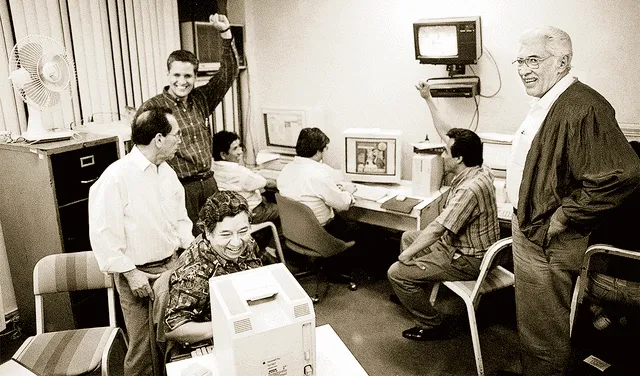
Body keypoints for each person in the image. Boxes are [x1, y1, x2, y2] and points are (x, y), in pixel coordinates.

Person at [506, 26, 640, 375]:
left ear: (562, 62)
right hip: (531, 228)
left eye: (533, 60)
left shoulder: (584, 106)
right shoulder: (552, 100)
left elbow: (623, 174)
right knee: (535, 327)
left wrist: (564, 217)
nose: (523, 69)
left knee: (543, 336)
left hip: (546, 238)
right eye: (520, 60)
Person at [89, 106, 194, 375]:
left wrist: (189, 252)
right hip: (138, 275)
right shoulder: (116, 177)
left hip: (170, 268)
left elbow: (180, 221)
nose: (180, 140)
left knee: (174, 343)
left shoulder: (166, 172)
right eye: (177, 135)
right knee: (143, 350)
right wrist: (130, 273)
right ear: (159, 139)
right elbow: (103, 234)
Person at [387, 127, 499, 341]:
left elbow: (437, 228)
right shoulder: (482, 170)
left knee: (396, 272)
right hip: (461, 246)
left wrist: (405, 256)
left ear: (459, 158)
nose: (442, 156)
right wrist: (428, 99)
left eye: (446, 152)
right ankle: (413, 288)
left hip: (466, 259)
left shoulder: (469, 189)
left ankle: (431, 324)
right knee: (408, 237)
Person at [135, 13, 239, 235]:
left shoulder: (201, 99)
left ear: (195, 76)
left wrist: (225, 34)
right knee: (187, 243)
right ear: (168, 74)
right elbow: (141, 155)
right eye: (176, 75)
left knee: (215, 238)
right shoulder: (152, 109)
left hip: (209, 183)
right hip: (180, 187)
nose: (181, 82)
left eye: (188, 76)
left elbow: (229, 73)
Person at [163, 191, 264, 346]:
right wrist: (229, 326)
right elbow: (173, 328)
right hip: (212, 342)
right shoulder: (194, 271)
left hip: (248, 324)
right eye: (225, 234)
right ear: (208, 233)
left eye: (243, 231)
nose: (236, 243)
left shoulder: (248, 244)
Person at [276, 127, 357, 241]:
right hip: (321, 233)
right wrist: (348, 192)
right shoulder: (318, 174)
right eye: (325, 148)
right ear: (318, 151)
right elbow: (343, 204)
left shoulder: (286, 169)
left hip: (296, 233)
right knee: (364, 230)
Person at [211, 130, 279, 224]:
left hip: (231, 216)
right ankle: (276, 237)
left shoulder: (212, 168)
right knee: (284, 210)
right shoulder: (241, 173)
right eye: (235, 149)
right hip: (254, 212)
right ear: (223, 155)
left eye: (239, 146)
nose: (240, 151)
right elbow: (268, 183)